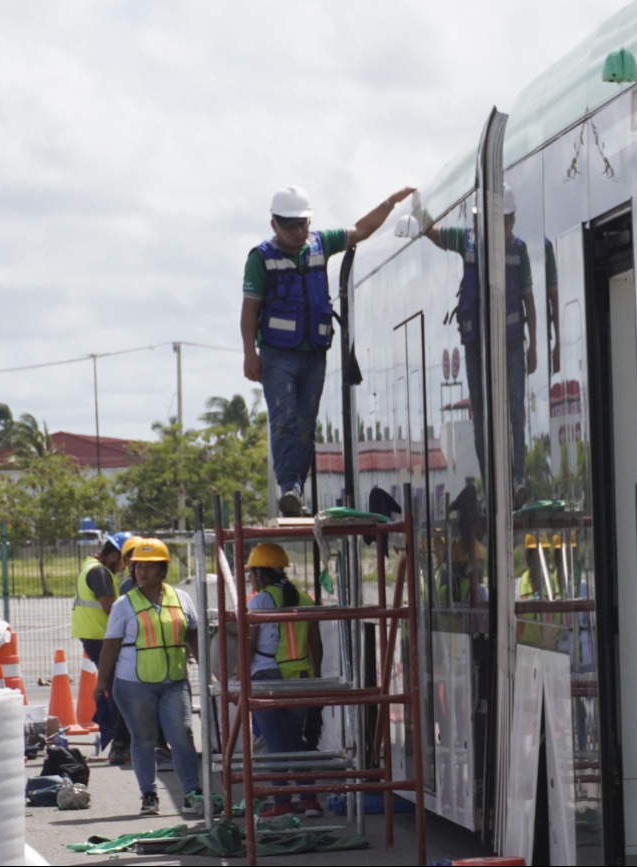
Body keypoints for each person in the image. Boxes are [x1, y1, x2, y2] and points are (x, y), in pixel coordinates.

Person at [242, 184, 417, 517]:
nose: (297, 231)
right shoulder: (260, 258)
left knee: (307, 424)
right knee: (284, 420)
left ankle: (295, 491)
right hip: (277, 356)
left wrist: (389, 202)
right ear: (274, 225)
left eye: (303, 224)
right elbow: (249, 310)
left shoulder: (319, 244)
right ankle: (288, 486)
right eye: (289, 225)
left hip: (314, 353)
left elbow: (361, 230)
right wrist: (249, 353)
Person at [425, 184, 536, 499]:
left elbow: (529, 298)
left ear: (512, 221)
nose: (501, 227)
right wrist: (422, 213)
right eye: (494, 220)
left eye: (505, 221)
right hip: (476, 346)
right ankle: (492, 483)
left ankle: (518, 479)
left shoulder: (519, 250)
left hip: (513, 343)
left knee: (515, 410)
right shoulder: (467, 241)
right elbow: (435, 235)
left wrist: (536, 347)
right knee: (481, 417)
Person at [95, 538, 205, 817]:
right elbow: (111, 644)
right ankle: (149, 795)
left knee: (182, 735)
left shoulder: (182, 598)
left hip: (174, 681)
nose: (142, 572)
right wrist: (101, 680)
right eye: (137, 567)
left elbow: (193, 633)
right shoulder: (124, 604)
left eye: (149, 566)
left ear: (163, 569)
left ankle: (193, 794)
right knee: (144, 738)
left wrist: (206, 668)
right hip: (133, 684)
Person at [243, 542, 325, 819]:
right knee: (294, 740)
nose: (250, 579)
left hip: (267, 675)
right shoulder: (304, 597)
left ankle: (282, 803)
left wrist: (237, 671)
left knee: (275, 743)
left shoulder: (260, 600)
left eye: (251, 573)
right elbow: (316, 643)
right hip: (300, 675)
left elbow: (250, 644)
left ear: (261, 574)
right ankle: (310, 800)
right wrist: (315, 677)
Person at [71, 535, 124, 756]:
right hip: (100, 638)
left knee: (114, 688)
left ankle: (119, 740)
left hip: (97, 636)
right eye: (124, 561)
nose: (124, 568)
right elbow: (110, 608)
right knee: (115, 689)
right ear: (113, 556)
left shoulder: (94, 568)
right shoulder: (99, 572)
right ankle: (120, 744)